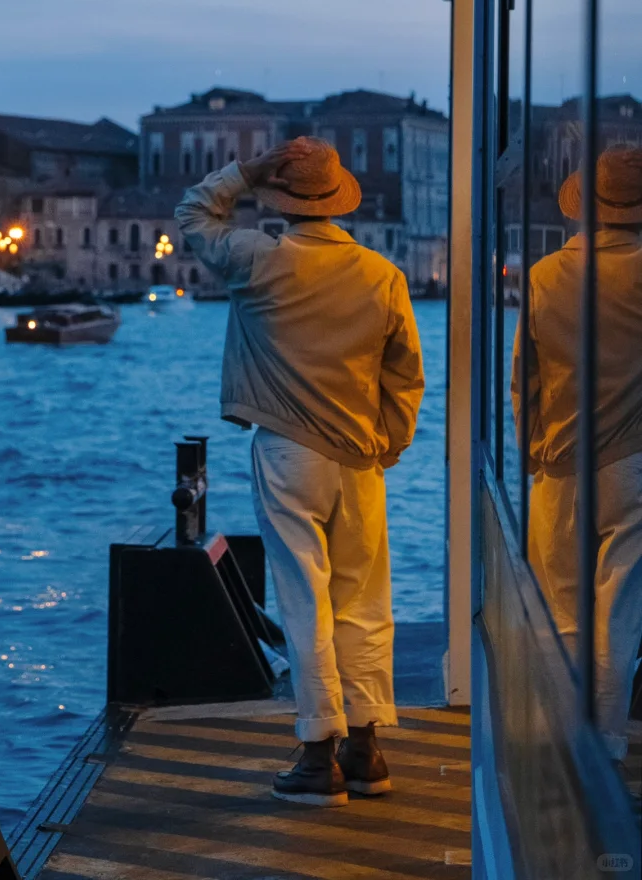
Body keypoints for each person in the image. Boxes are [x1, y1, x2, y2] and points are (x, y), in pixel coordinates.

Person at [175, 136, 424, 808]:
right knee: (365, 602)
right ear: (339, 200)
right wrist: (389, 443)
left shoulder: (257, 260)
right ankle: (366, 749)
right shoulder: (383, 274)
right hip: (360, 457)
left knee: (302, 598)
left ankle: (318, 756)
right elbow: (406, 377)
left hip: (287, 451)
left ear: (280, 203)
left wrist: (244, 173)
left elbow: (195, 215)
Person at [512, 144, 642, 765]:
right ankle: (607, 748)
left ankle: (567, 749)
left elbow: (523, 381)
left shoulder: (542, 276)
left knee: (561, 608)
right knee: (620, 611)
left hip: (559, 461)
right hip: (634, 463)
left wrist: (531, 454)